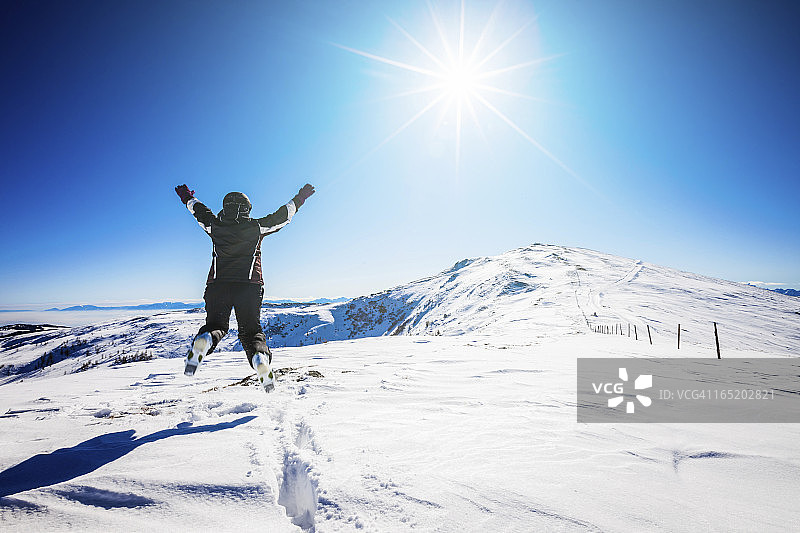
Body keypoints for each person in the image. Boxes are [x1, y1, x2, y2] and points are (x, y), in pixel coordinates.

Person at [174, 183, 315, 392]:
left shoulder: (215, 226)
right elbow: (283, 215)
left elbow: (198, 209)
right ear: (247, 208)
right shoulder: (256, 227)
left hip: (218, 286)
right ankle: (259, 358)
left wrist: (186, 196)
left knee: (216, 326)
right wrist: (300, 197)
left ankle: (205, 339)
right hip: (249, 287)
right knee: (250, 332)